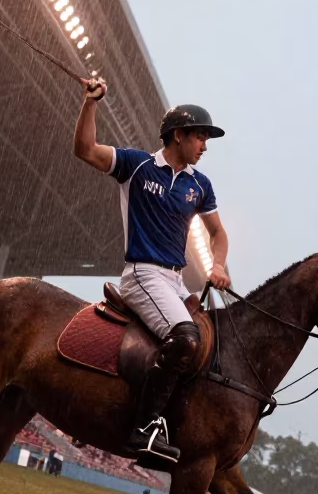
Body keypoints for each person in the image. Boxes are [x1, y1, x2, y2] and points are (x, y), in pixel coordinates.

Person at [74, 77, 230, 466]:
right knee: (186, 338)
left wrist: (219, 264)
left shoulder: (200, 185)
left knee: (213, 347)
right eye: (200, 137)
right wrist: (90, 103)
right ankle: (143, 427)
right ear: (178, 135)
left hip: (175, 281)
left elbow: (217, 233)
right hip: (143, 274)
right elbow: (85, 150)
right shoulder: (137, 166)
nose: (205, 146)